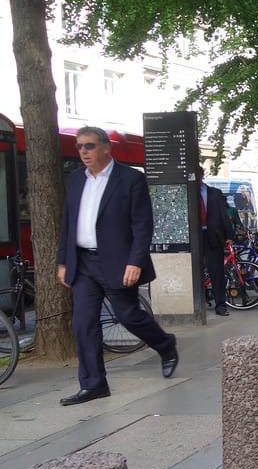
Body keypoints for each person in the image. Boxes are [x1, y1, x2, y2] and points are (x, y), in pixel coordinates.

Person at [56, 126, 180, 406]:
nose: (83, 152)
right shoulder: (76, 179)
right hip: (83, 261)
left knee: (128, 316)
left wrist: (135, 261)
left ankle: (165, 344)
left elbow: (142, 225)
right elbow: (68, 222)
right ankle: (94, 384)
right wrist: (62, 261)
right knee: (83, 324)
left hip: (116, 262)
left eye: (88, 146)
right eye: (79, 147)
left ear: (105, 148)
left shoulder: (130, 179)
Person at [199, 168, 234, 316]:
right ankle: (200, 299)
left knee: (217, 272)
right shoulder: (187, 192)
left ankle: (220, 305)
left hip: (213, 236)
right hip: (195, 237)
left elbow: (223, 215)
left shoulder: (214, 193)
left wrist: (229, 235)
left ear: (201, 175)